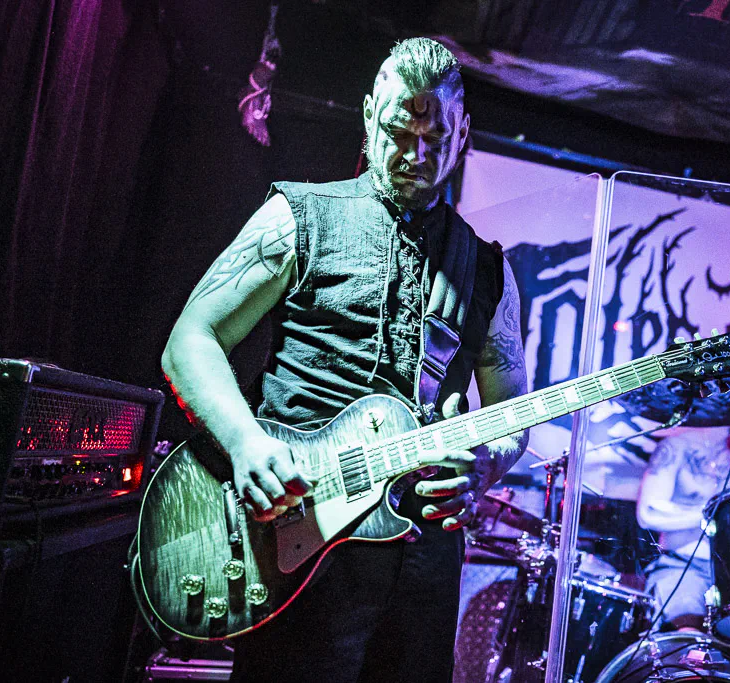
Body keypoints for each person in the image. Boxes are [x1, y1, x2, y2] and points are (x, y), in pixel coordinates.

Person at [161, 38, 529, 683]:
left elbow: (511, 414)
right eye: (397, 132)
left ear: (464, 133)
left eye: (435, 137)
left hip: (422, 557)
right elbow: (192, 339)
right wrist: (245, 443)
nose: (414, 154)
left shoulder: (489, 271)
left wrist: (488, 462)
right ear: (366, 116)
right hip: (296, 534)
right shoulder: (299, 217)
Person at [636, 425, 730, 631]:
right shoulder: (676, 447)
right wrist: (710, 514)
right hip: (682, 567)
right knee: (689, 637)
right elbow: (647, 514)